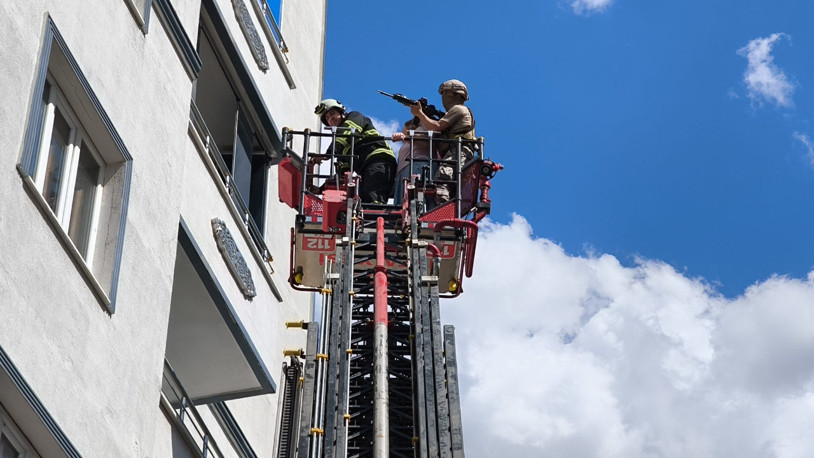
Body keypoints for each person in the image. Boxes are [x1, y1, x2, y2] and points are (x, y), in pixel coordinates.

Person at [407, 79, 476, 205]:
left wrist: (420, 113)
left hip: (458, 151)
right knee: (450, 186)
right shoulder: (455, 111)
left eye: (446, 93)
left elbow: (436, 127)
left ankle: (442, 209)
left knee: (442, 182)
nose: (443, 97)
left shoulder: (458, 109)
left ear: (456, 94)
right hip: (459, 152)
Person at [314, 99, 396, 203]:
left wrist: (327, 155)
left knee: (373, 196)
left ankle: (376, 217)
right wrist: (320, 189)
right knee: (365, 200)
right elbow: (341, 174)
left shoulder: (354, 117)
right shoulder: (342, 147)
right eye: (327, 118)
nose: (331, 118)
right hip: (366, 167)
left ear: (342, 112)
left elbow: (347, 133)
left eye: (332, 113)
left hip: (379, 159)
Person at [391, 118, 437, 206]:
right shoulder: (406, 144)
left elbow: (424, 138)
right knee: (405, 200)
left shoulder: (424, 125)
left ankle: (421, 211)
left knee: (419, 196)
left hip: (418, 166)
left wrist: (407, 136)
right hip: (405, 172)